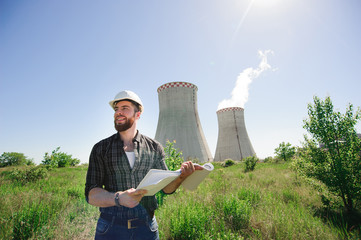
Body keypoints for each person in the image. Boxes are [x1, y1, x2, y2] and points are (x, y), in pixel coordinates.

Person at [85, 90, 202, 240]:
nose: (118, 113)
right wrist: (119, 198)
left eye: (124, 108)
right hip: (111, 229)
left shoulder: (154, 147)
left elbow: (166, 189)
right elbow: (91, 194)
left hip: (146, 229)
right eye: (116, 109)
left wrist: (181, 177)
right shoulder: (101, 148)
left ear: (138, 114)